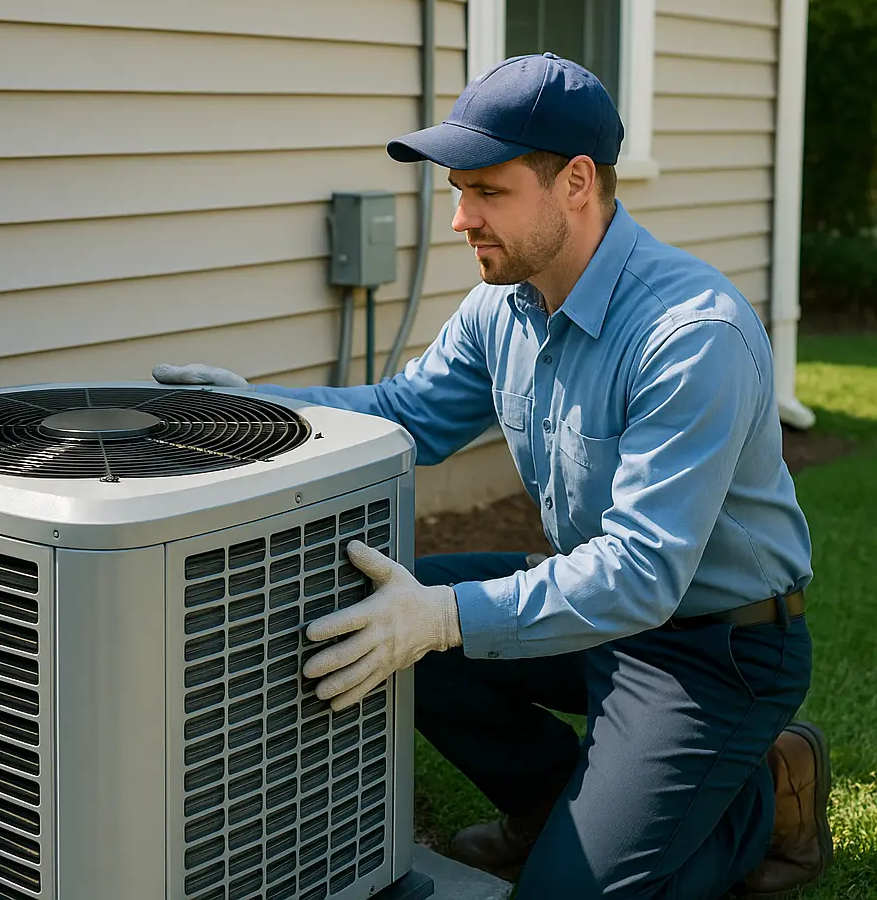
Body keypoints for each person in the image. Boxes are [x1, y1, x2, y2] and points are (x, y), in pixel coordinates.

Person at [153, 53, 831, 899]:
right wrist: (258, 410)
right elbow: (408, 413)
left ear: (575, 182)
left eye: (487, 191)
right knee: (377, 622)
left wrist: (441, 617)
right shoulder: (503, 304)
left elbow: (644, 573)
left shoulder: (691, 334)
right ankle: (556, 807)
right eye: (456, 191)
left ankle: (762, 802)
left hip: (714, 645)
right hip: (596, 606)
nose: (459, 219)